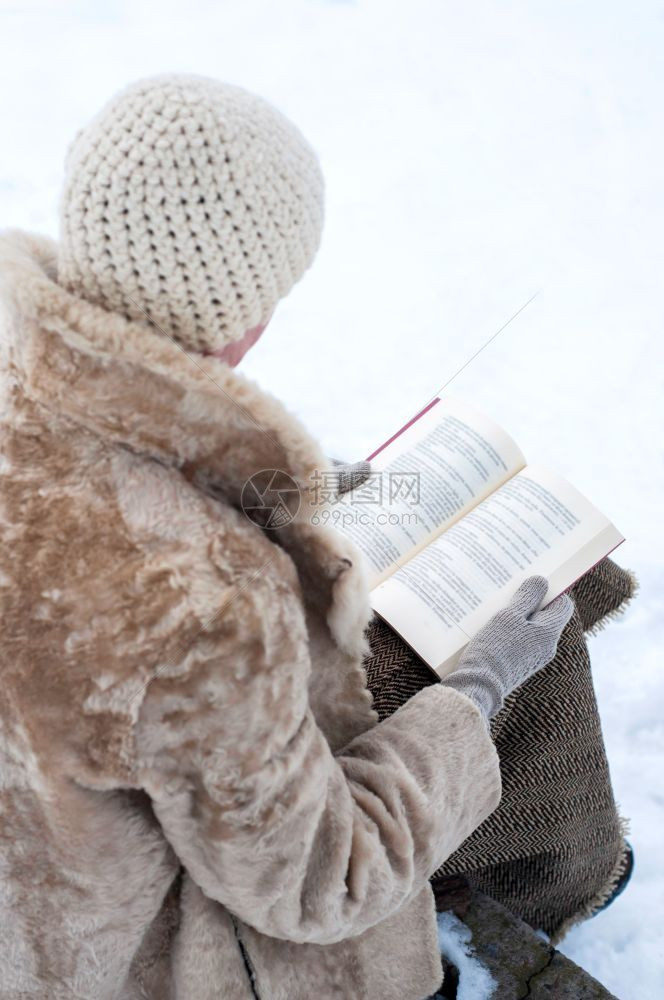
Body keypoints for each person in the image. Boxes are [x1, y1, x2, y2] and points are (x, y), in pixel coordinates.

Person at [0, 75, 582, 1000]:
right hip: (141, 959)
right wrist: (473, 692)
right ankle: (564, 883)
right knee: (524, 650)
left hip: (34, 910)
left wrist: (258, 488)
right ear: (243, 314)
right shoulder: (205, 601)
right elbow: (319, 881)